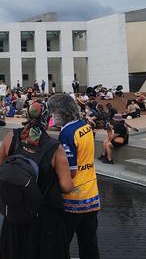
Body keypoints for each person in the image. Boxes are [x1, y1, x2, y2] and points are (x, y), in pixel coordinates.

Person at [0, 101, 73, 259]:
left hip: (16, 213)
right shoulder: (55, 148)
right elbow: (66, 186)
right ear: (47, 119)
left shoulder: (11, 138)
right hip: (44, 219)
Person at [48, 93, 101, 259]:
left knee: (62, 242)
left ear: (62, 113)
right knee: (89, 243)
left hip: (73, 198)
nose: (53, 117)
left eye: (54, 113)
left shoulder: (67, 134)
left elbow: (70, 169)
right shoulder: (85, 126)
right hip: (91, 193)